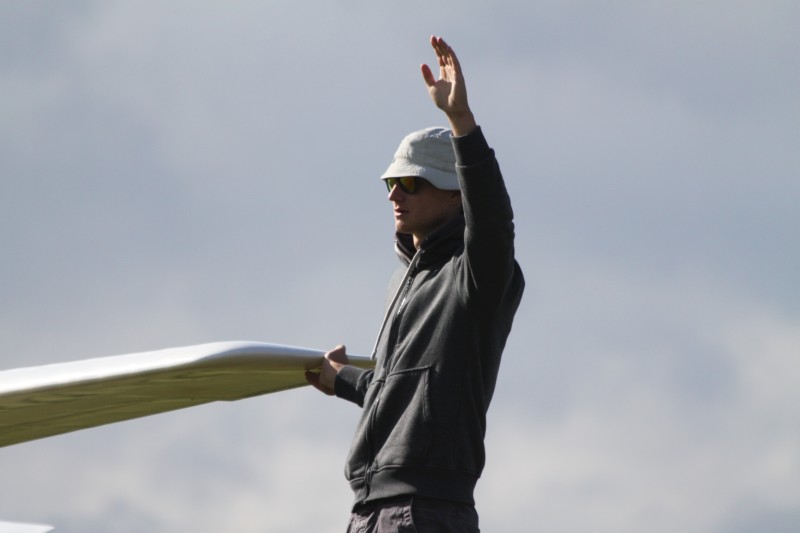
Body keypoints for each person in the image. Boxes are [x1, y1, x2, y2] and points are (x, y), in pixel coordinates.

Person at [306, 35, 524, 532]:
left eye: (411, 183)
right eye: (392, 183)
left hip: (426, 511)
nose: (394, 195)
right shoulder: (402, 282)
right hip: (368, 511)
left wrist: (461, 122)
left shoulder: (478, 274)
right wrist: (342, 379)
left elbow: (494, 223)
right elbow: (402, 390)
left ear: (455, 194)